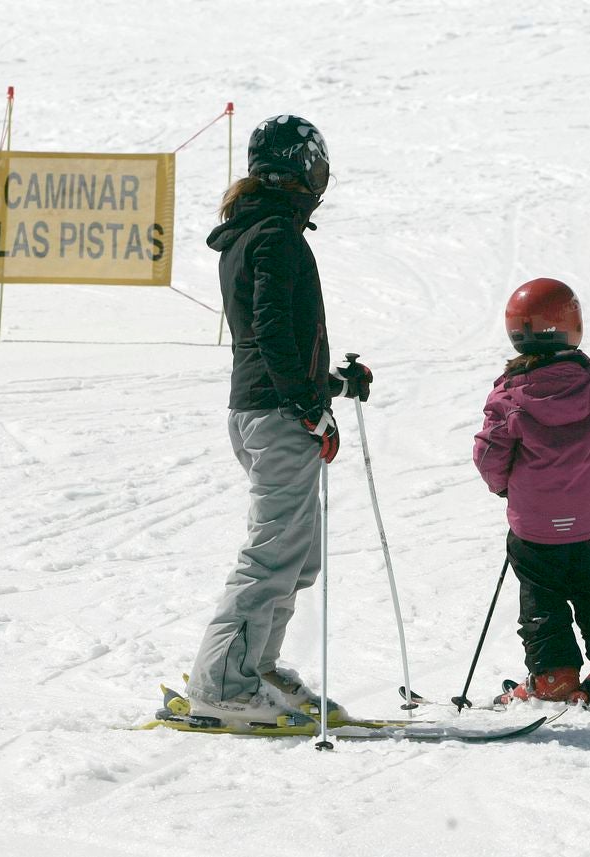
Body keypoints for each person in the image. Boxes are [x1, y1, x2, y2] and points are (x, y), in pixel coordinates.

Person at [186, 115, 372, 723]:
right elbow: (268, 332)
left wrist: (332, 386)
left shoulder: (260, 232)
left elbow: (279, 338)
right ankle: (222, 685)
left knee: (296, 552)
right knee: (272, 552)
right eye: (317, 167)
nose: (322, 180)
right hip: (274, 414)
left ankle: (256, 667)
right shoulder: (274, 236)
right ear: (297, 169)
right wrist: (306, 406)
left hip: (264, 408)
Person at [472, 278, 590, 709]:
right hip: (587, 518)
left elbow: (489, 452)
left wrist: (503, 485)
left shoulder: (510, 393)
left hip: (535, 524)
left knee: (542, 598)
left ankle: (554, 677)